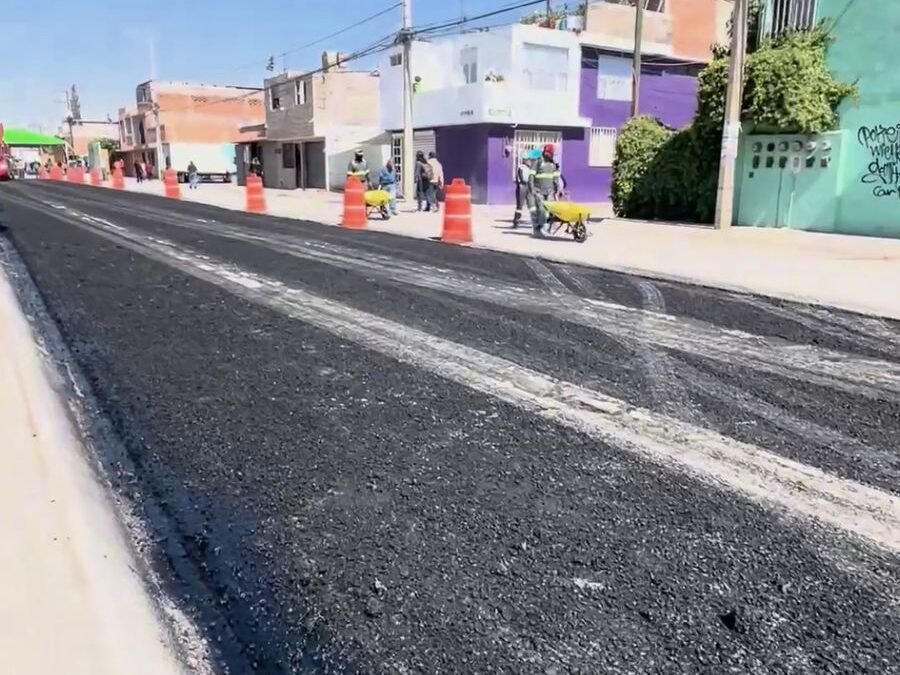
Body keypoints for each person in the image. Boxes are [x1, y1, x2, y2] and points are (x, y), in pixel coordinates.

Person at [528, 144, 563, 239]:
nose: (550, 155)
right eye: (549, 153)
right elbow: (531, 176)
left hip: (550, 191)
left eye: (551, 153)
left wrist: (558, 188)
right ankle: (540, 229)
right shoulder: (538, 162)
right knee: (542, 210)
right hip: (538, 191)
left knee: (551, 211)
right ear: (545, 152)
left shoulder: (553, 164)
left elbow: (556, 176)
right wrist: (531, 188)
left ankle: (548, 228)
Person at [512, 149, 539, 228]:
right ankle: (516, 221)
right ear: (524, 159)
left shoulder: (529, 168)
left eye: (529, 159)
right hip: (522, 187)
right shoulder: (521, 167)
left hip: (529, 186)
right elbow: (523, 178)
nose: (529, 161)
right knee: (520, 205)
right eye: (528, 159)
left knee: (531, 205)